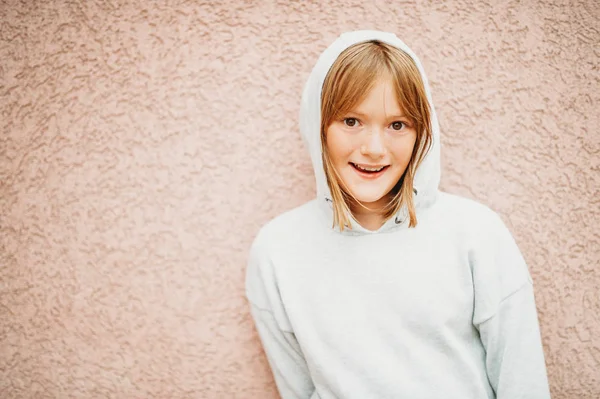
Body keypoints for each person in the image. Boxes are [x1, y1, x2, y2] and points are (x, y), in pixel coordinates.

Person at [245, 30, 551, 399]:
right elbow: (298, 389)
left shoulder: (476, 235)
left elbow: (523, 384)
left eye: (397, 125)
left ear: (422, 132)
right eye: (351, 121)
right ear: (318, 125)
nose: (374, 149)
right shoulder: (278, 250)